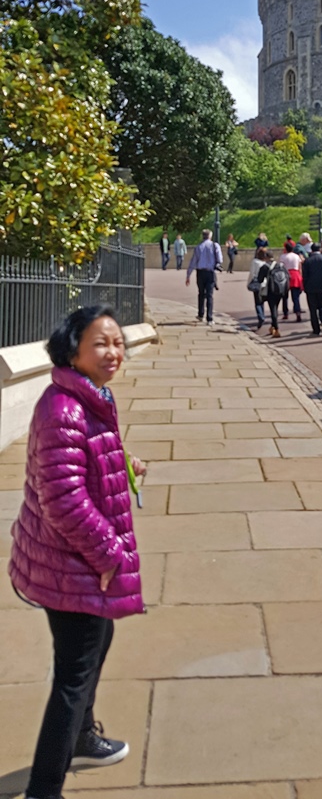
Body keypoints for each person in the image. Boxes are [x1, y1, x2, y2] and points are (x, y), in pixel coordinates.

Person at [9, 305, 146, 799]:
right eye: (101, 344)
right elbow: (63, 500)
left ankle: (83, 736)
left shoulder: (86, 396)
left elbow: (82, 458)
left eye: (118, 344)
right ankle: (44, 790)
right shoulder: (62, 407)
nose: (114, 353)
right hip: (74, 563)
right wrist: (110, 555)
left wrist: (123, 463)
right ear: (73, 350)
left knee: (95, 643)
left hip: (69, 560)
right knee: (74, 674)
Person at [186, 229, 223, 325]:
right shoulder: (215, 246)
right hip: (210, 272)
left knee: (201, 293)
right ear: (210, 236)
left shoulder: (198, 247)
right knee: (210, 295)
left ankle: (200, 314)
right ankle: (209, 318)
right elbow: (220, 259)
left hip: (200, 272)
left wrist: (188, 275)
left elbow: (193, 261)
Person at [257, 249, 289, 338]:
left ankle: (276, 329)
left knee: (273, 309)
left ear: (266, 257)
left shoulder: (265, 266)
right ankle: (272, 326)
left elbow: (260, 279)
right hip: (280, 289)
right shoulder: (280, 265)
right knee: (276, 308)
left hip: (271, 290)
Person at [280, 242, 304, 322]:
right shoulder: (296, 256)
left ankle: (286, 313)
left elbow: (281, 267)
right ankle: (297, 312)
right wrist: (301, 277)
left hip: (286, 275)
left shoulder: (283, 256)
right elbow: (300, 268)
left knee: (285, 297)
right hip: (296, 275)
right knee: (296, 297)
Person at [249, 247, 268, 329]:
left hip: (257, 283)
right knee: (262, 300)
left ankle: (261, 316)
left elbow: (252, 273)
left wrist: (249, 282)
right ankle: (262, 315)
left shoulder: (255, 262)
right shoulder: (265, 263)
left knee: (257, 302)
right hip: (264, 284)